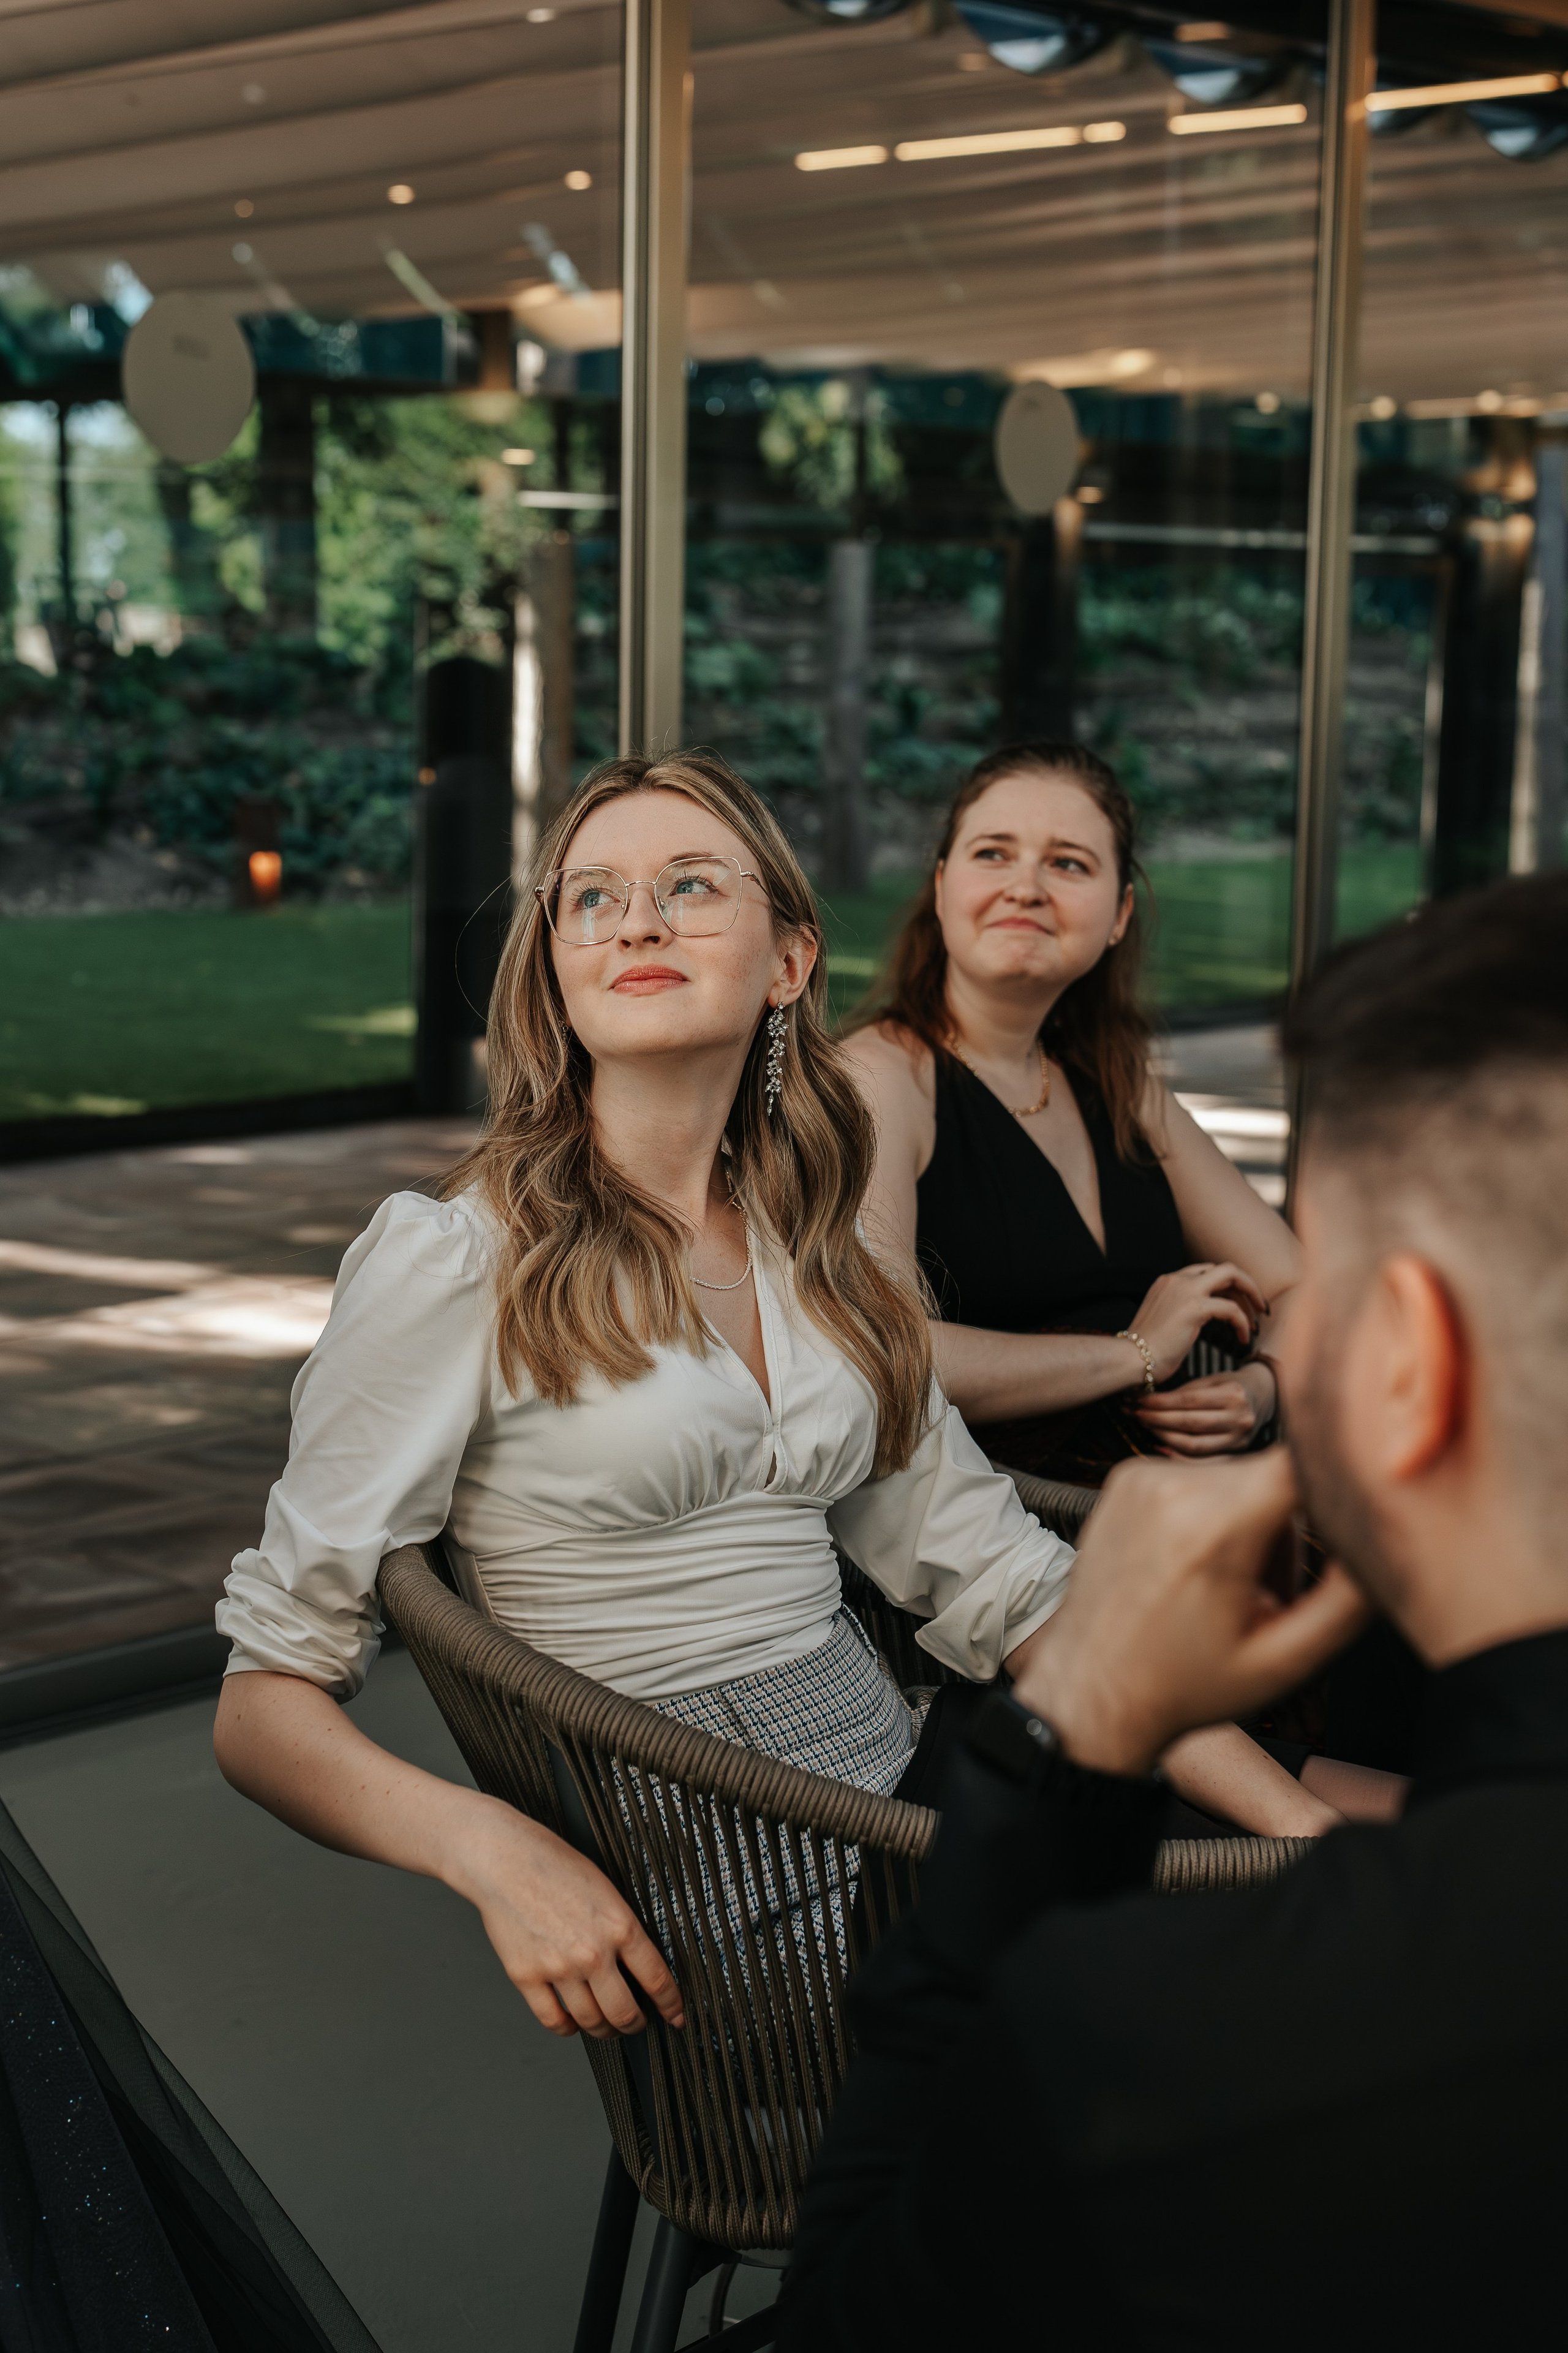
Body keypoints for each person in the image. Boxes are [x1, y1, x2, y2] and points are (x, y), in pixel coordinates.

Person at [779, 871, 1568, 2352]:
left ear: (1402, 1358)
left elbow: (851, 2317)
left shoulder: (1196, 2043)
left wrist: (1058, 1747)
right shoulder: (893, 1081)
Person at [214, 751, 1082, 2047]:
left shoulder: (814, 1255)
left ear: (788, 962)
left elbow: (1008, 1583)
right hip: (754, 1913)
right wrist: (493, 1851)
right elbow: (262, 1701)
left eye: (688, 885)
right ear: (555, 964)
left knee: (1342, 1858)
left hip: (915, 1815)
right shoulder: (455, 1258)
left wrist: (1284, 1823)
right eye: (593, 898)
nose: (637, 920)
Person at [845, 741, 1297, 1485]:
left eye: (1068, 864)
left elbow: (1294, 1283)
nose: (1025, 887)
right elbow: (878, 1349)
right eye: (993, 853)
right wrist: (1133, 1354)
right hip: (995, 1532)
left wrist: (1264, 1386)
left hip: (1164, 1498)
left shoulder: (1119, 1087)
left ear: (1118, 914)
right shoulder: (883, 1078)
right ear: (940, 884)